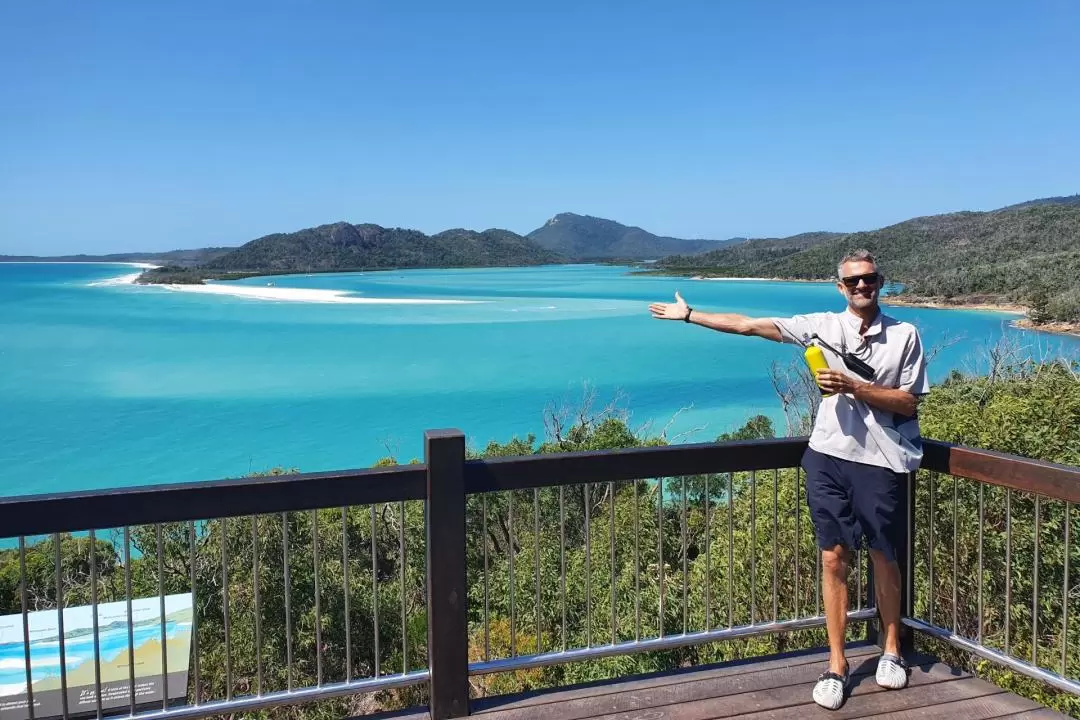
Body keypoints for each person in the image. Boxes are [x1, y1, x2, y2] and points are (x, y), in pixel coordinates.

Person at [648, 249, 929, 710]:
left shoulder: (904, 335)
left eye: (870, 279)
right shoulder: (822, 326)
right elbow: (749, 324)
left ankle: (892, 650)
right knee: (833, 559)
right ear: (840, 287)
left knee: (884, 555)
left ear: (881, 282)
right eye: (853, 282)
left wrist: (855, 387)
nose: (862, 287)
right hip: (827, 457)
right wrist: (690, 315)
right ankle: (836, 664)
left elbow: (909, 403)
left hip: (880, 461)